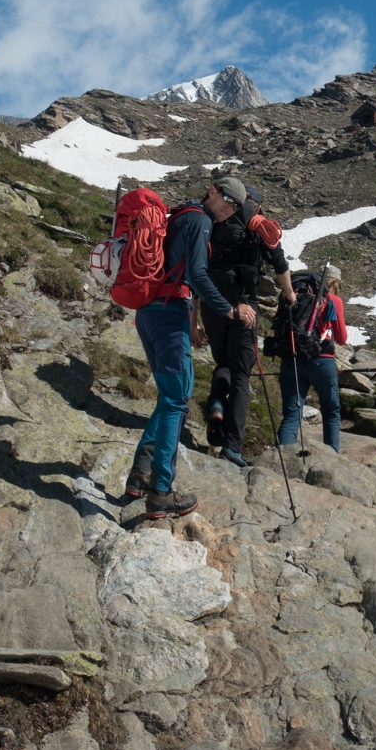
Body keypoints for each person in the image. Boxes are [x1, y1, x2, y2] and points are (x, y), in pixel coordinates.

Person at [123, 184, 257, 518]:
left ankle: (140, 475)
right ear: (217, 195)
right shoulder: (201, 222)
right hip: (170, 314)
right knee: (176, 401)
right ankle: (162, 492)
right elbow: (197, 273)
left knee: (168, 397)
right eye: (230, 204)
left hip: (147, 312)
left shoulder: (177, 215)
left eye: (234, 209)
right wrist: (229, 310)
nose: (229, 211)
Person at [198, 176, 295, 469]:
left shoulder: (209, 223)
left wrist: (194, 322)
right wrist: (289, 294)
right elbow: (279, 263)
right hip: (244, 309)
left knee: (223, 363)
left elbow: (196, 272)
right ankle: (232, 447)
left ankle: (216, 403)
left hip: (212, 306)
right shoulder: (258, 226)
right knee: (241, 374)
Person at [277, 265, 349, 453]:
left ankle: (282, 459)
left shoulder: (296, 295)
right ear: (337, 284)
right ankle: (331, 457)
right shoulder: (333, 300)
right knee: (331, 410)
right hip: (322, 360)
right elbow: (341, 339)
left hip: (292, 358)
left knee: (292, 414)